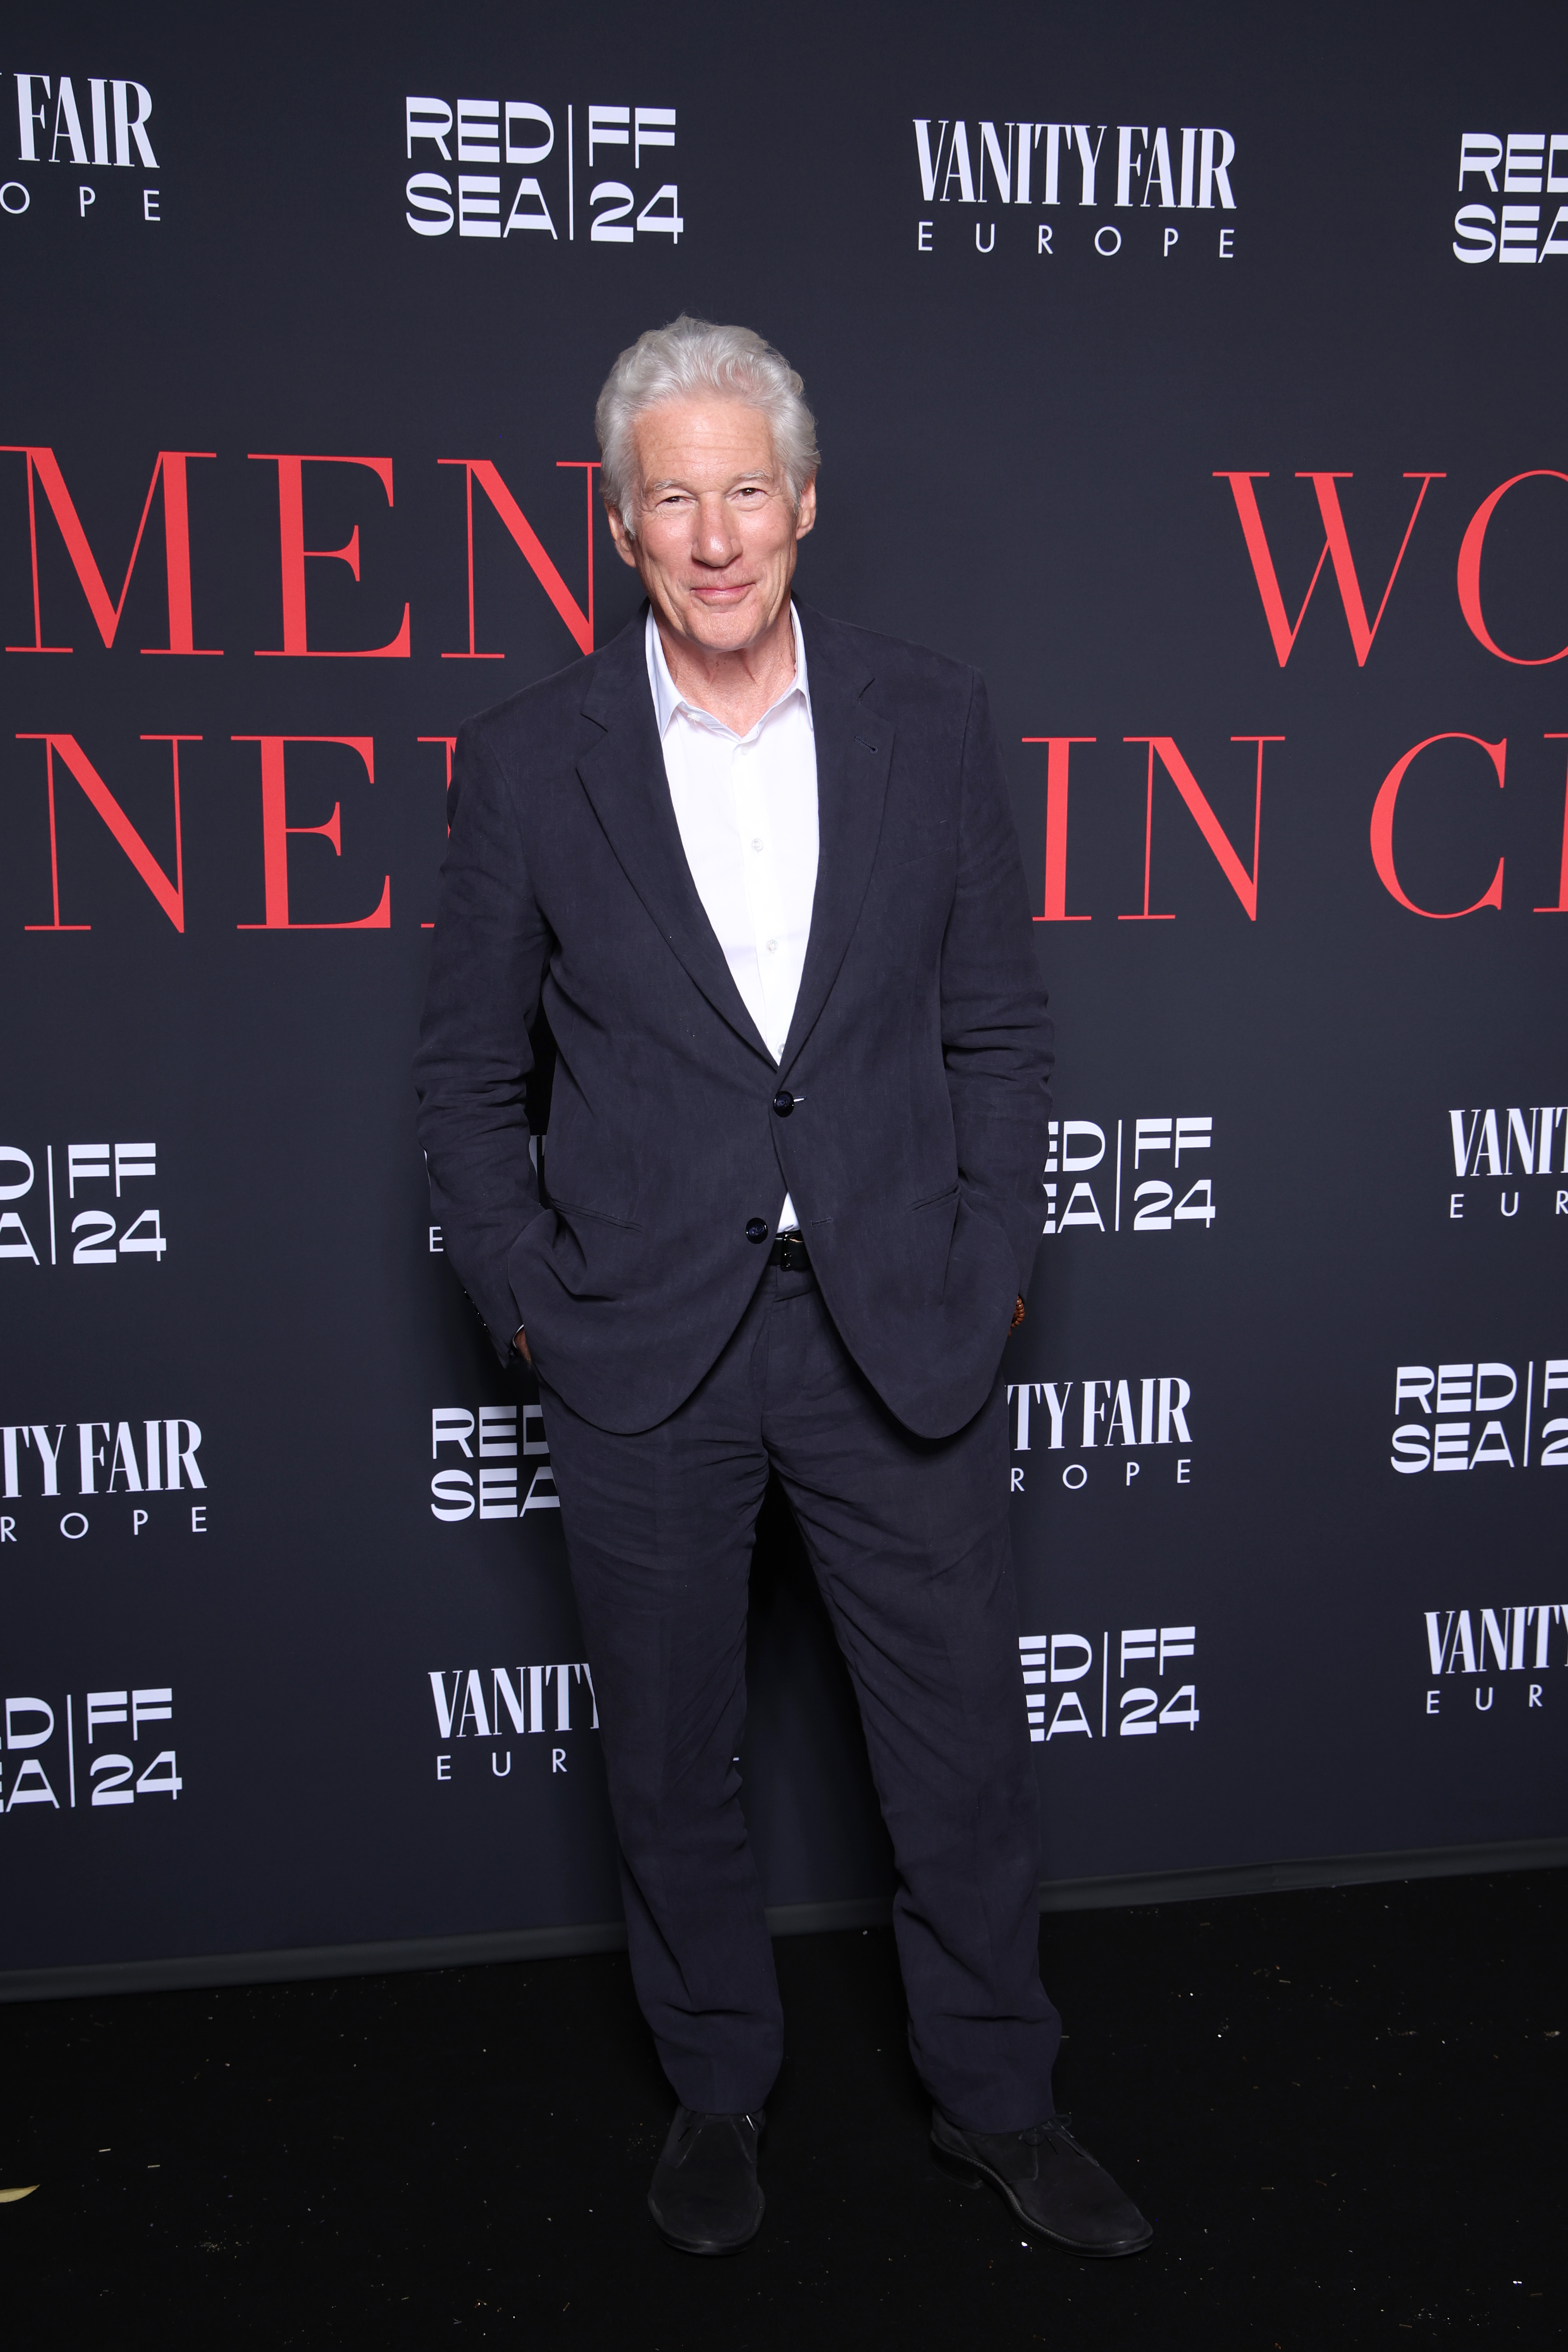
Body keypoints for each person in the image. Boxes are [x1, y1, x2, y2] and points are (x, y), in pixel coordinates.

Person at [414, 316, 1151, 2262]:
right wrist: (525, 1298)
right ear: (621, 530)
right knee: (667, 1759)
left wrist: (987, 1259)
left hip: (893, 1324)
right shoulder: (527, 765)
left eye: (746, 488)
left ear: (804, 506)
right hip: (638, 1346)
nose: (715, 530)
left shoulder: (929, 715)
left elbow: (999, 1026)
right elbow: (467, 1080)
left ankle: (998, 2101)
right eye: (674, 496)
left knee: (959, 1758)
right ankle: (717, 2085)